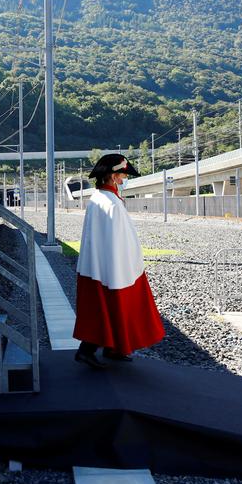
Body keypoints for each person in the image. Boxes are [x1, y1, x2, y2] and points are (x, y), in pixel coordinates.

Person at [72, 153, 165, 369]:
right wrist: (124, 264)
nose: (123, 178)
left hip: (98, 264)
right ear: (113, 176)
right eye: (122, 174)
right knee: (110, 305)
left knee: (103, 307)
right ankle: (88, 351)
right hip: (112, 265)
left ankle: (113, 348)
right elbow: (118, 239)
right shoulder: (111, 203)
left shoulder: (99, 199)